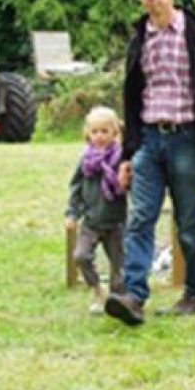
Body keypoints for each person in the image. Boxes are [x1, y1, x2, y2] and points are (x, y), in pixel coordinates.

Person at [105, 0, 195, 327]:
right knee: (139, 219)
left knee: (189, 224)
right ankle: (133, 295)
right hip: (149, 139)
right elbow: (132, 98)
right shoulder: (140, 39)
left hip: (189, 141)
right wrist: (128, 155)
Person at [65, 106, 127, 314]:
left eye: (104, 132)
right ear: (88, 134)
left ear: (115, 133)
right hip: (91, 221)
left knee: (119, 267)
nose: (99, 137)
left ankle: (117, 300)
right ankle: (96, 289)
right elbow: (75, 188)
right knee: (81, 256)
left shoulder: (121, 160)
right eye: (95, 132)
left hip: (116, 222)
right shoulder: (86, 161)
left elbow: (131, 187)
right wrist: (72, 213)